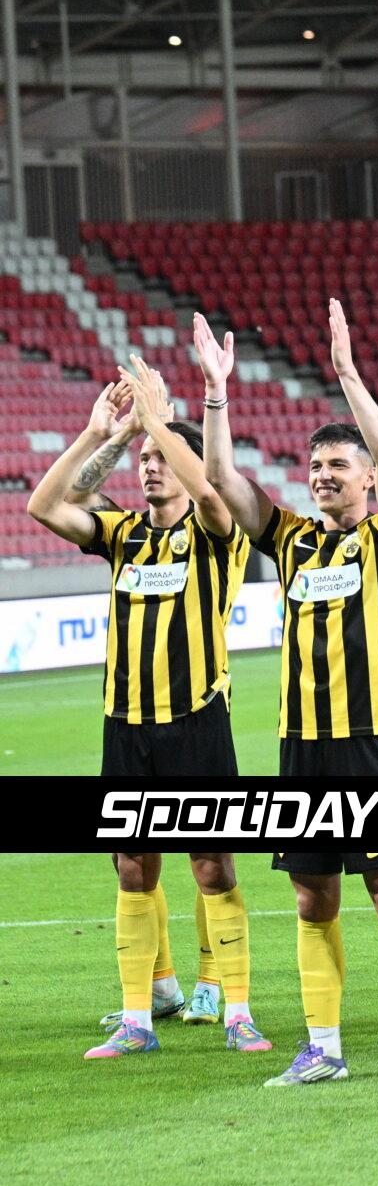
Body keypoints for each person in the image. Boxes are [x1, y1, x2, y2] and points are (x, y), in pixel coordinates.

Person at [194, 304, 378, 1084]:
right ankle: (324, 1048)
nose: (324, 476)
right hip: (302, 745)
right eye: (316, 467)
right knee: (311, 897)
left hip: (370, 738)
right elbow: (222, 481)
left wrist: (348, 375)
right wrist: (217, 394)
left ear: (365, 478)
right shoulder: (292, 539)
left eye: (338, 465)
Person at [28, 364, 263, 1062]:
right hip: (125, 723)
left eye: (162, 458)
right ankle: (138, 1019)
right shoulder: (123, 534)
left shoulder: (218, 533)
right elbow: (45, 505)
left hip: (195, 720)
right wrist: (102, 433)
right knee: (133, 865)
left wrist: (158, 422)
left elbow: (212, 492)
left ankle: (236, 1009)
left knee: (212, 865)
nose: (150, 467)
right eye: (145, 460)